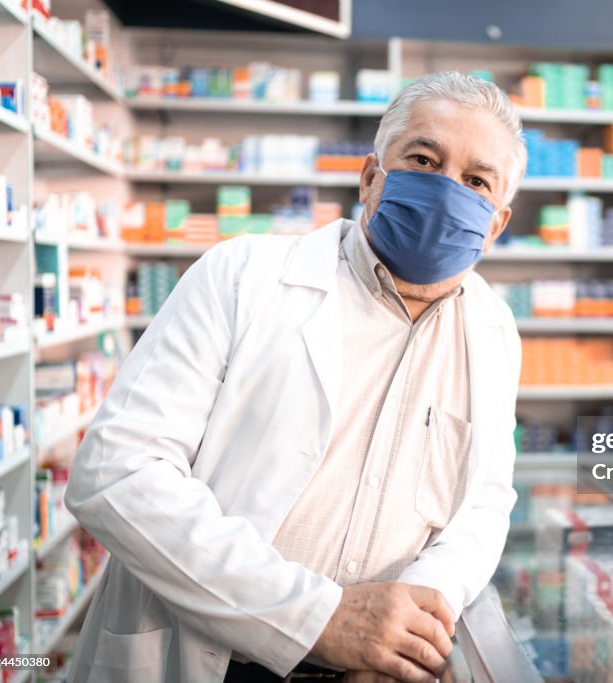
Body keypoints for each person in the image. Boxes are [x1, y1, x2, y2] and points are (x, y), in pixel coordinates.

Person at [64, 71, 525, 683]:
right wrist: (318, 620)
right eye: (423, 159)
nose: (447, 191)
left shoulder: (493, 332)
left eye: (475, 181)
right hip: (211, 657)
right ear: (370, 179)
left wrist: (407, 623)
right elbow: (116, 473)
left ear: (495, 223)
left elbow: (485, 504)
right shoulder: (239, 276)